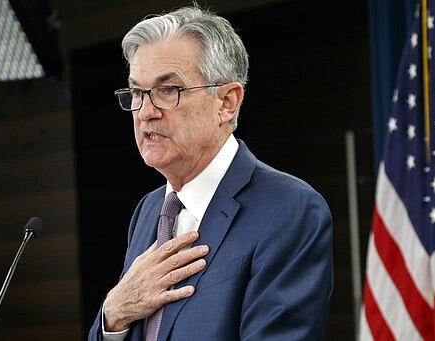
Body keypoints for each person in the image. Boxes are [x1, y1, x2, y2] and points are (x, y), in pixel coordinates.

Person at [88, 4, 333, 341]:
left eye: (167, 91)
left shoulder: (289, 209)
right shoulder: (147, 212)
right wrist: (114, 313)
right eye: (137, 93)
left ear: (227, 102)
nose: (145, 112)